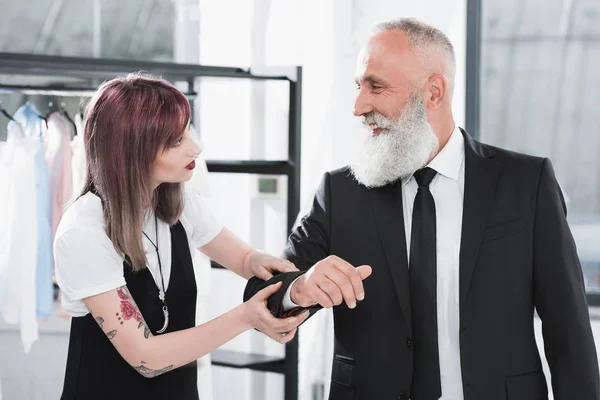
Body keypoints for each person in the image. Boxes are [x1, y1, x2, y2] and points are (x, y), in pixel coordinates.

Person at [244, 18, 600, 400]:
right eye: (358, 86)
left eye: (375, 87)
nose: (358, 106)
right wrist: (300, 287)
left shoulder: (526, 183)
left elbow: (569, 333)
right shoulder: (340, 191)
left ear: (433, 92)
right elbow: (262, 293)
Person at [54, 74, 309, 400]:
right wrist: (245, 317)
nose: (196, 148)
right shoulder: (84, 232)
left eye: (188, 130)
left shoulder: (177, 202)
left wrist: (296, 282)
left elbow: (246, 260)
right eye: (176, 141)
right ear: (131, 150)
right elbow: (146, 357)